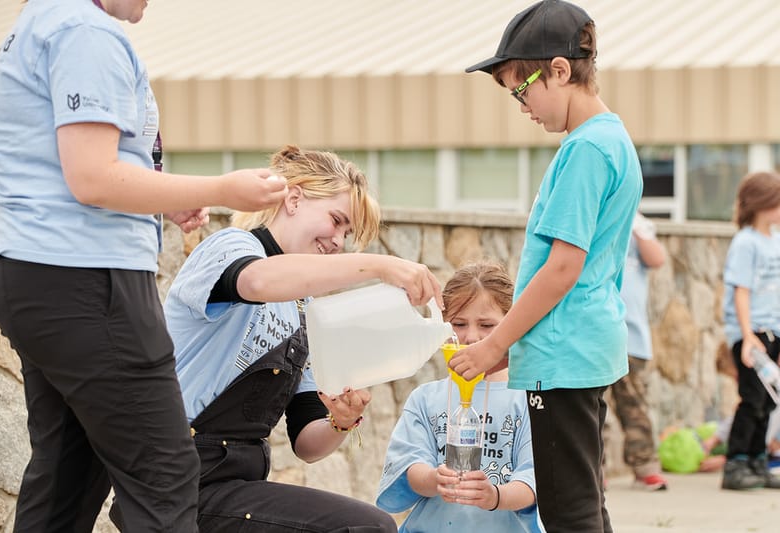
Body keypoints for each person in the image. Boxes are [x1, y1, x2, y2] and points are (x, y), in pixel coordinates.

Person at [0, 1, 290, 531]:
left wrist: (160, 197)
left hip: (38, 271)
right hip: (85, 280)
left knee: (67, 475)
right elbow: (93, 177)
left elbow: (76, 170)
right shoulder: (85, 32)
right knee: (165, 476)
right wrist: (220, 187)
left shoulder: (43, 21)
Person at [162, 144, 442, 532]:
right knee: (369, 528)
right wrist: (381, 265)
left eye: (348, 233)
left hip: (233, 484)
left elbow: (307, 444)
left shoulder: (302, 307)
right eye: (337, 220)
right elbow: (257, 280)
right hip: (178, 481)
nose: (339, 241)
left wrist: (341, 421)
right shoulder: (230, 248)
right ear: (293, 199)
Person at [450, 1, 642, 531]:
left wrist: (494, 344)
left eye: (522, 89)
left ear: (560, 70)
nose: (522, 106)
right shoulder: (611, 141)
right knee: (580, 500)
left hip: (563, 353)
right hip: (581, 347)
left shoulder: (586, 150)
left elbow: (561, 269)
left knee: (566, 509)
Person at [377, 260, 543, 533]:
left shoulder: (528, 401)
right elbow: (409, 464)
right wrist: (434, 479)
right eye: (459, 323)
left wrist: (494, 496)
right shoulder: (425, 398)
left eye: (487, 324)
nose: (471, 336)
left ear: (512, 324)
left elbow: (534, 479)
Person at [720, 170, 780, 490]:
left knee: (769, 400)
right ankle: (736, 462)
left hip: (773, 331)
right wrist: (747, 337)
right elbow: (741, 290)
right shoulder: (745, 242)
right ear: (762, 203)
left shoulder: (776, 240)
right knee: (752, 398)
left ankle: (758, 459)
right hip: (752, 333)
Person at [609, 212, 669, 490]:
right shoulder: (599, 216)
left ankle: (645, 466)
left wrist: (636, 227)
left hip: (632, 338)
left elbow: (657, 259)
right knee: (592, 409)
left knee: (635, 408)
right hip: (598, 334)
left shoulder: (639, 223)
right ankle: (593, 473)